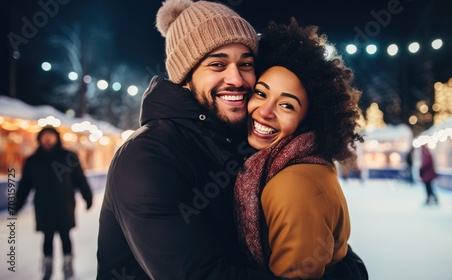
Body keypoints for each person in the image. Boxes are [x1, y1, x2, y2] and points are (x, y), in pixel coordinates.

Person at [97, 0, 285, 279]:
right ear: (185, 76)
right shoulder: (147, 155)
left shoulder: (248, 143)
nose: (237, 78)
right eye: (217, 64)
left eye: (245, 64)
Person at [234, 18, 368, 279]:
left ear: (307, 119)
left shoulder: (293, 183)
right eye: (261, 93)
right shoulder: (294, 163)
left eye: (287, 106)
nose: (264, 111)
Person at [15, 126, 93, 280]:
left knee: (65, 235)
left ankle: (68, 266)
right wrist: (16, 204)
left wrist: (87, 196)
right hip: (43, 206)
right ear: (39, 139)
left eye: (51, 135)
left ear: (57, 138)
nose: (48, 139)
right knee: (47, 237)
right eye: (45, 136)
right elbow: (25, 185)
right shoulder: (33, 160)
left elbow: (80, 179)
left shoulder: (68, 156)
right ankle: (48, 267)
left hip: (64, 204)